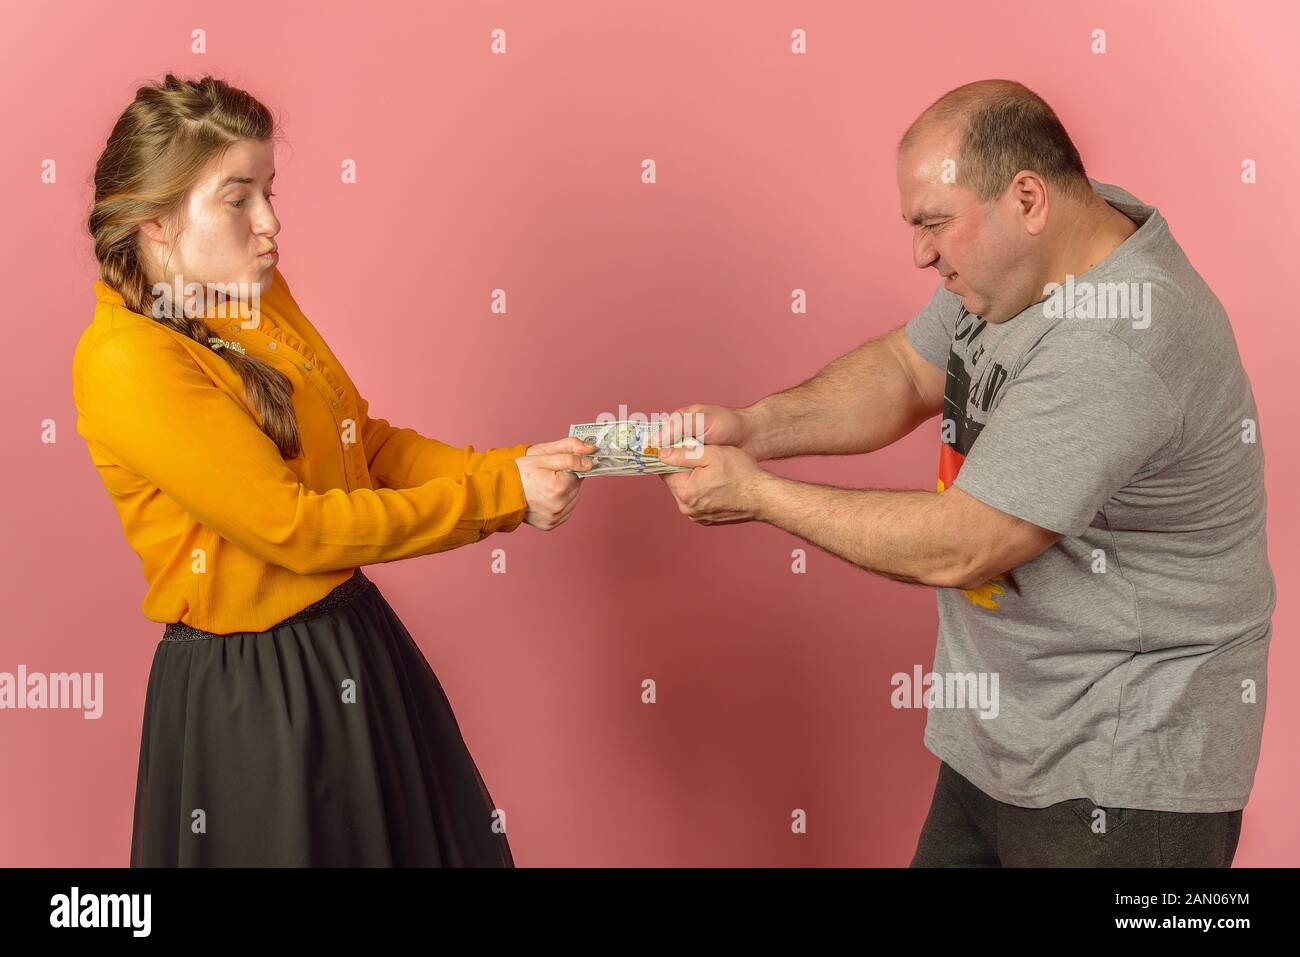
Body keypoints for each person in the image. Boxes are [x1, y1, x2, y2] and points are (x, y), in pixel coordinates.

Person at [656, 79, 1275, 867]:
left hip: (1124, 772)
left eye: (934, 224)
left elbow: (966, 545)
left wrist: (755, 493)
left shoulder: (1121, 338)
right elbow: (906, 370)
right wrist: (752, 426)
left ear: (1027, 197)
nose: (921, 252)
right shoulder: (1032, 254)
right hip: (1004, 740)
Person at [72, 73, 596, 866]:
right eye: (237, 198)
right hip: (254, 694)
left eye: (270, 192)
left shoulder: (251, 294)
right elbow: (298, 528)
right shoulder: (126, 362)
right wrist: (499, 496)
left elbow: (366, 444)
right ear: (153, 223)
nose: (271, 223)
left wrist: (515, 470)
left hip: (354, 644)